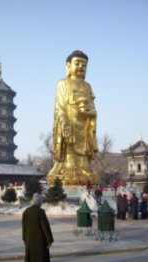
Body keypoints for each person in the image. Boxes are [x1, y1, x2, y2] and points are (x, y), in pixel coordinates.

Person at [47, 50, 98, 186]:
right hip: (69, 119)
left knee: (85, 147)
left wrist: (89, 113)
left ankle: (85, 167)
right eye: (77, 63)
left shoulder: (88, 86)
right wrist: (64, 122)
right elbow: (60, 106)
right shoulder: (63, 83)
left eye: (84, 64)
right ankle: (68, 167)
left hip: (84, 122)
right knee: (69, 141)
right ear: (68, 66)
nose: (81, 66)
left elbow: (93, 107)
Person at [22, 193, 54, 262]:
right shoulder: (40, 212)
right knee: (40, 258)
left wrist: (24, 238)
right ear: (39, 202)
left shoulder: (26, 211)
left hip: (28, 239)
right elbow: (45, 227)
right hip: (40, 239)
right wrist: (49, 240)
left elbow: (24, 227)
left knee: (30, 257)